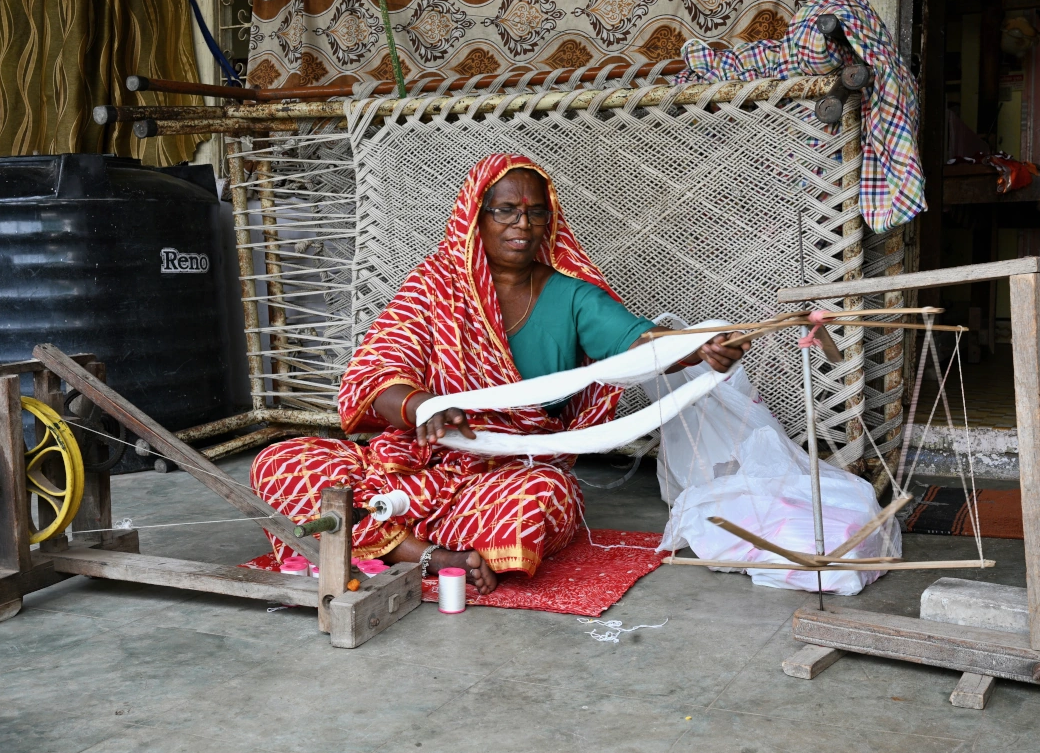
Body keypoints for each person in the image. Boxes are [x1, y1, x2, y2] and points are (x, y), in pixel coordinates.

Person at [250, 154, 747, 594]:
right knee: (280, 462)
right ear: (476, 216)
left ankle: (379, 540)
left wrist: (696, 347)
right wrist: (424, 406)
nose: (522, 224)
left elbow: (637, 344)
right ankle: (423, 555)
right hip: (414, 460)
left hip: (509, 471)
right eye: (506, 210)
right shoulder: (434, 287)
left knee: (545, 499)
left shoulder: (571, 295)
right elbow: (379, 370)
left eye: (536, 212)